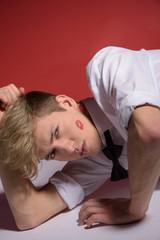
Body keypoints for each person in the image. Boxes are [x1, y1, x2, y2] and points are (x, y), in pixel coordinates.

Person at [0, 46, 160, 231]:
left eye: (56, 132)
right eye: (52, 153)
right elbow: (29, 214)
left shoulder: (106, 68)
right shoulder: (98, 159)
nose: (67, 149)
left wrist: (134, 209)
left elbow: (151, 131)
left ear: (66, 103)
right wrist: (3, 134)